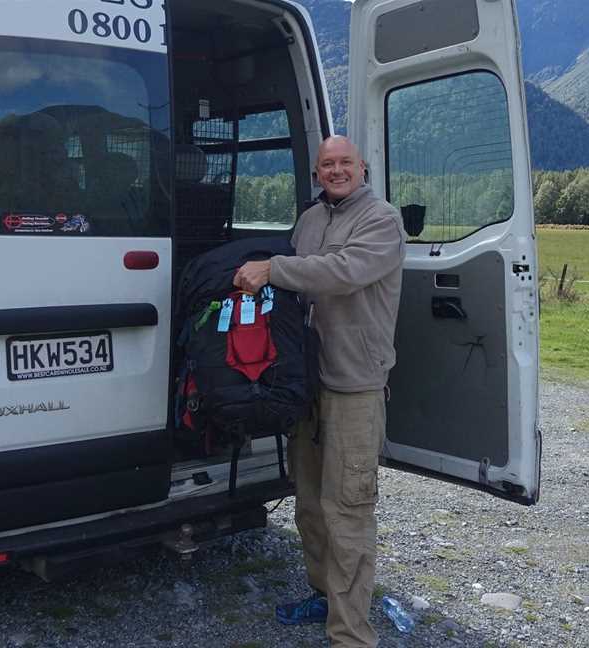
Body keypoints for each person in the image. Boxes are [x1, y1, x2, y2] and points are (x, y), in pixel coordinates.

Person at [233, 136, 406, 647]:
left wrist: (274, 269)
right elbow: (294, 288)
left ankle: (352, 634)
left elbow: (343, 272)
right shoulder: (310, 220)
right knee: (309, 501)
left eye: (345, 163)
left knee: (348, 510)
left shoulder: (381, 220)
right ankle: (322, 594)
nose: (336, 171)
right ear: (317, 171)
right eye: (327, 164)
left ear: (363, 167)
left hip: (355, 383)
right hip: (305, 380)